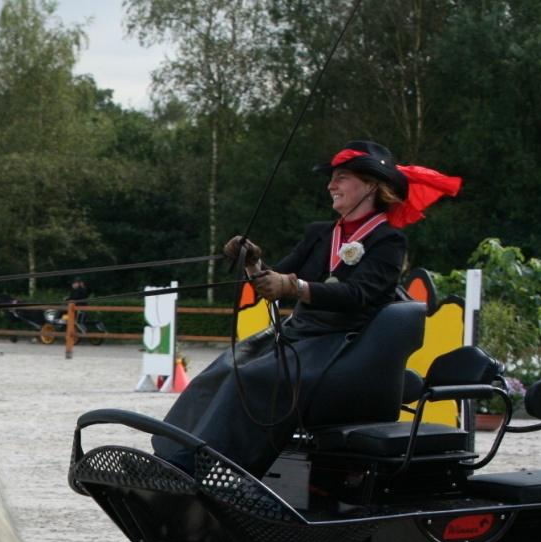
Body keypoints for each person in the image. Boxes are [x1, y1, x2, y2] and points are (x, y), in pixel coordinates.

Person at [153, 139, 461, 475]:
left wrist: (293, 286)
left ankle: (202, 467)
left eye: (341, 177)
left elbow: (358, 295)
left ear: (371, 184)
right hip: (298, 335)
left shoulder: (388, 241)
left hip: (343, 346)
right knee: (225, 368)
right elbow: (277, 279)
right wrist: (253, 264)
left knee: (256, 378)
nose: (331, 185)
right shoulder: (320, 234)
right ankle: (171, 456)